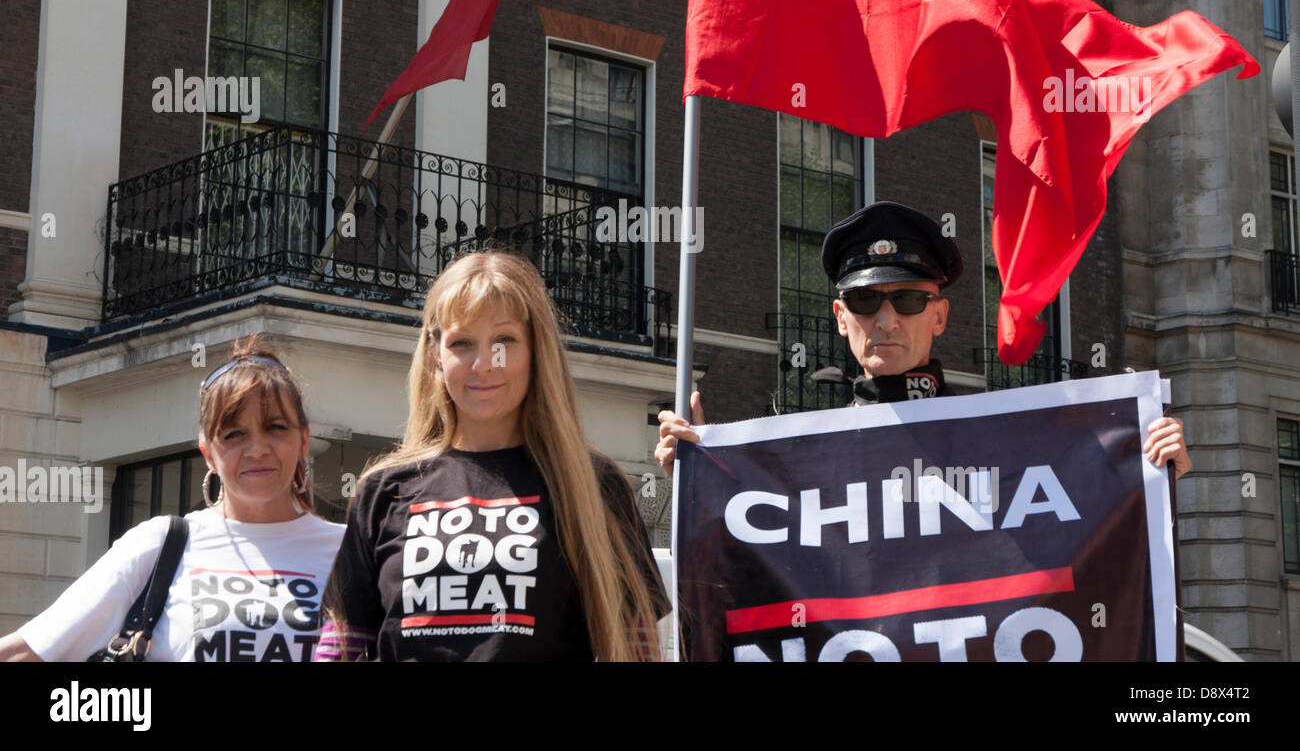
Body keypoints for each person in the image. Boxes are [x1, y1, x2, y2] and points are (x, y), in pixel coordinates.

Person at [657, 201, 1191, 478]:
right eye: (866, 302)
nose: (886, 319)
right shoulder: (797, 451)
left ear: (939, 317)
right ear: (841, 318)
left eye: (908, 301)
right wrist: (703, 474)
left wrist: (1146, 465)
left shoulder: (999, 440)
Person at [316, 250, 667, 662]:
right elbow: (339, 647)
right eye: (462, 343)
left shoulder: (594, 485)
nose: (483, 364)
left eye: (504, 340)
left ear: (537, 353)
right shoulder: (383, 491)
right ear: (435, 356)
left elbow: (637, 646)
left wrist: (699, 478)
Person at [0, 338, 345, 662]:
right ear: (208, 453)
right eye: (235, 434)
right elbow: (27, 651)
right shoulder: (162, 543)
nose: (257, 449)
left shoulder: (352, 550)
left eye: (276, 427)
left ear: (303, 441)